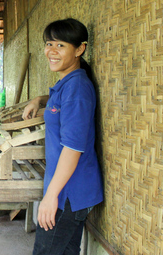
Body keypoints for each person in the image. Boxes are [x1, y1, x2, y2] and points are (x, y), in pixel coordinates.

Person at [22, 18, 103, 255]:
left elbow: (73, 148)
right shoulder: (67, 83)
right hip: (66, 189)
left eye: (60, 45)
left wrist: (51, 197)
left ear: (80, 49)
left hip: (68, 192)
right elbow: (59, 101)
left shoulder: (77, 87)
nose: (52, 51)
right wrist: (39, 100)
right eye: (49, 44)